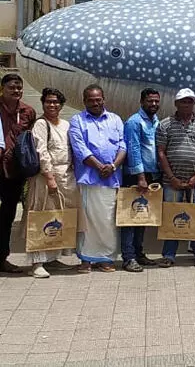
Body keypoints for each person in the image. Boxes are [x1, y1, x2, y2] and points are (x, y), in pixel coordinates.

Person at [68, 85, 126, 273]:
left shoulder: (115, 119)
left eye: (98, 99)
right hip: (89, 178)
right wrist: (100, 166)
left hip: (111, 178)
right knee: (87, 221)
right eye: (91, 100)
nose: (95, 103)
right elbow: (79, 148)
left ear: (103, 99)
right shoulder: (77, 120)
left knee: (108, 221)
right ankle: (86, 259)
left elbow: (122, 146)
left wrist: (113, 166)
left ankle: (105, 258)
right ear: (84, 101)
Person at [25, 88, 81, 278]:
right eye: (48, 101)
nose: (52, 105)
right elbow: (41, 151)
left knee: (60, 217)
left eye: (56, 102)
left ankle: (52, 258)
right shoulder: (41, 124)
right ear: (43, 103)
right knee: (41, 216)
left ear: (61, 105)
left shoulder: (65, 124)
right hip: (46, 177)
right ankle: (37, 262)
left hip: (66, 176)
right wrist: (50, 178)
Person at [156, 88, 195, 268]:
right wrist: (171, 177)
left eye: (190, 101)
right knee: (171, 216)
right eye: (183, 101)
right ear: (176, 103)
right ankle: (169, 254)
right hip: (171, 182)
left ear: (194, 104)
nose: (186, 104)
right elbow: (161, 152)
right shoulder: (165, 124)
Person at [121, 88, 162, 272]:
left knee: (143, 215)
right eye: (150, 101)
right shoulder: (134, 122)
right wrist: (140, 177)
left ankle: (139, 253)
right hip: (136, 175)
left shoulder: (156, 121)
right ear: (142, 101)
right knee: (131, 217)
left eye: (156, 101)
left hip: (152, 174)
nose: (153, 104)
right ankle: (128, 257)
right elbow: (133, 149)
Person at [0, 73, 37, 273]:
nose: (16, 91)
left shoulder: (27, 112)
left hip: (14, 172)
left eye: (19, 88)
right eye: (11, 87)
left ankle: (2, 258)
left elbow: (30, 141)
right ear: (2, 89)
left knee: (7, 216)